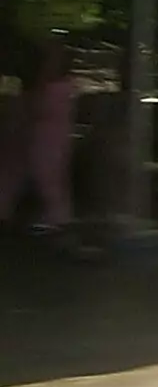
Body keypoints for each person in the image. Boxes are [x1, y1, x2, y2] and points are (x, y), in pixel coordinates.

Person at [0, 37, 79, 239]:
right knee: (15, 169)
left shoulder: (58, 87)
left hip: (46, 135)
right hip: (30, 132)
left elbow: (41, 108)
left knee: (45, 172)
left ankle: (58, 216)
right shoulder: (36, 83)